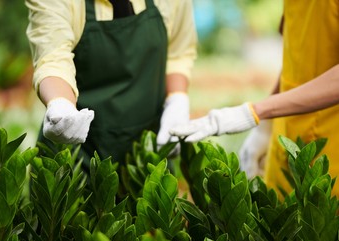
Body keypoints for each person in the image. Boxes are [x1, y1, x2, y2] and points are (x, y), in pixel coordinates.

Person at [170, 0, 339, 197]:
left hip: (331, 153)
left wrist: (257, 111)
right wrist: (266, 125)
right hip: (285, 139)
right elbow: (298, 53)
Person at [25, 0, 197, 172]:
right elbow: (53, 59)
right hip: (77, 156)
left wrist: (177, 99)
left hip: (147, 155)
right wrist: (61, 104)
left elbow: (178, 52)